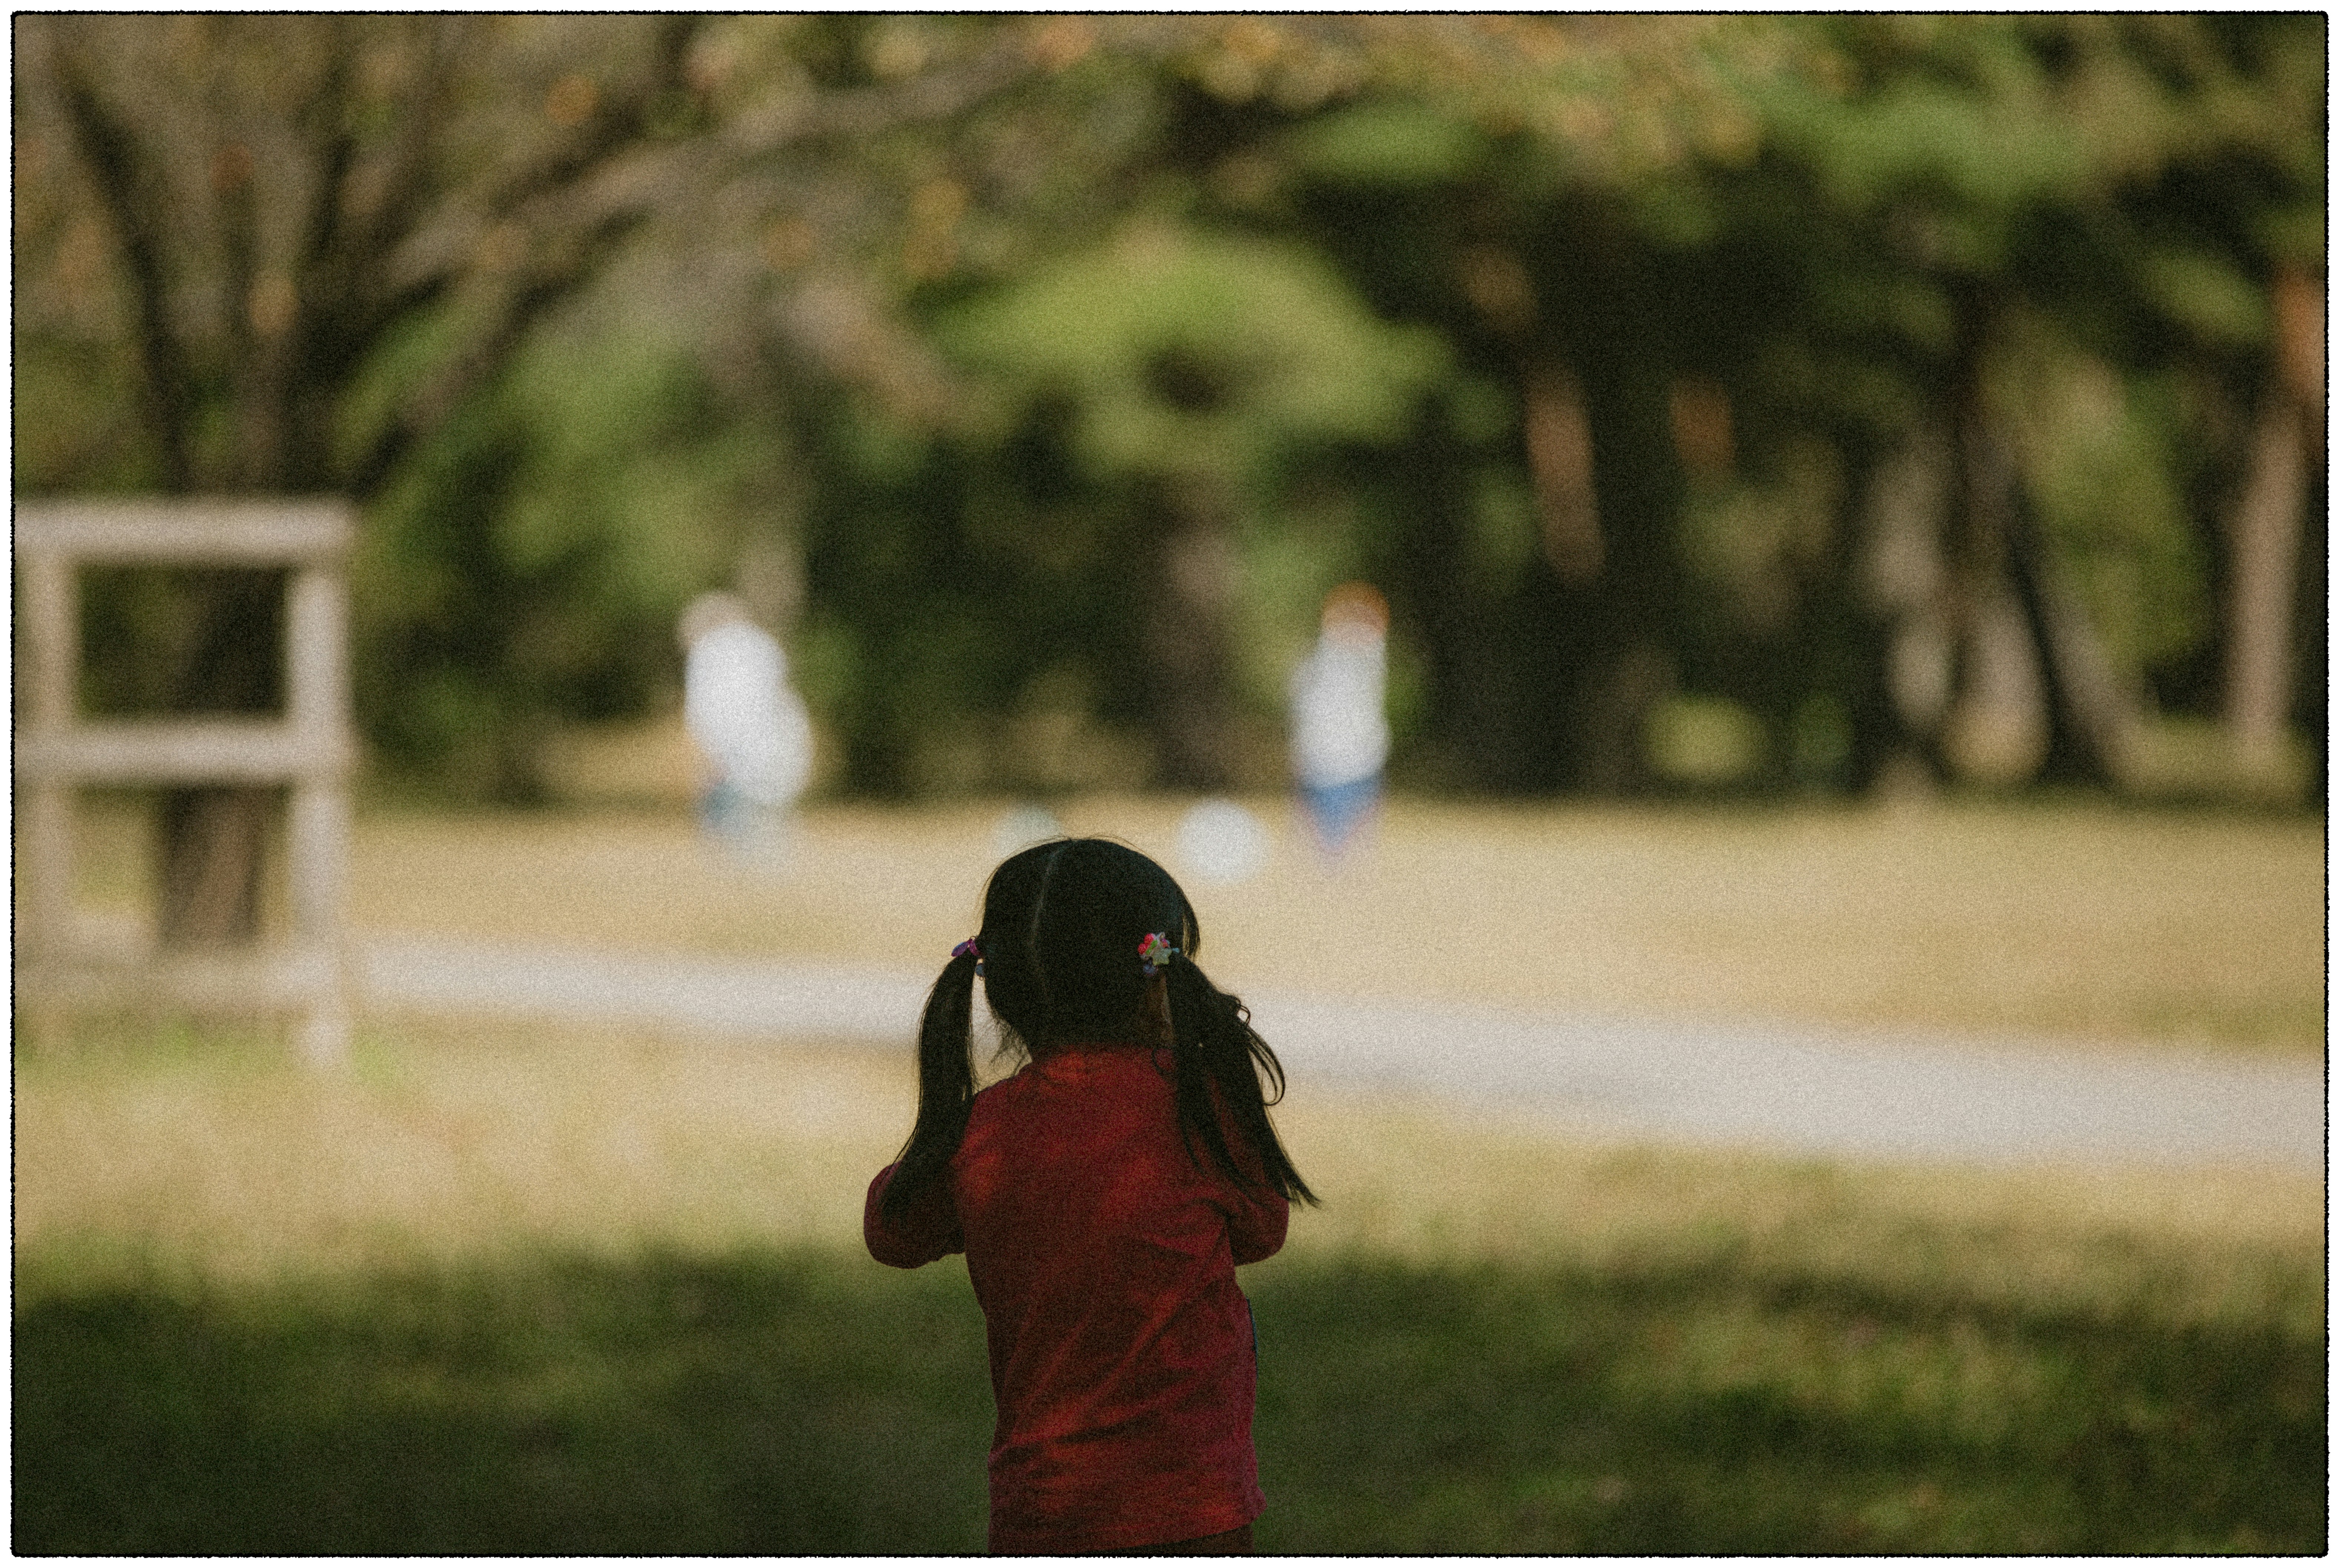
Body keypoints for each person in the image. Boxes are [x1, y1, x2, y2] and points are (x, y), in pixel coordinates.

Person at [864, 837, 1316, 1556]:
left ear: (999, 991)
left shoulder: (981, 1138)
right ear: (1156, 974)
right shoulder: (1197, 1110)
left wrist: (946, 1142)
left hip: (1041, 1514)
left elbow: (891, 1232)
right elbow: (1263, 1229)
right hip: (1193, 1510)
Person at [678, 591, 812, 860]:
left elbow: (708, 712)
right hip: (777, 750)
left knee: (735, 838)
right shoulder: (763, 646)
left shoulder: (709, 653)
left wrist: (710, 758)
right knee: (767, 826)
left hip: (734, 757)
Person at [1287, 582, 1389, 858]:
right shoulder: (1320, 663)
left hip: (1356, 759)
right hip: (1323, 760)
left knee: (1349, 845)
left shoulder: (1367, 661)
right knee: (1325, 846)